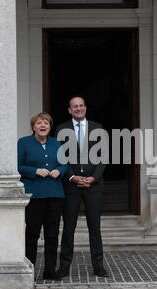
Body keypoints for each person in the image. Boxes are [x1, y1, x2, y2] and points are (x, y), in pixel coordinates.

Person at [56, 96, 108, 278]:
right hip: (71, 186)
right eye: (74, 106)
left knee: (95, 227)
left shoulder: (98, 128)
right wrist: (71, 177)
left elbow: (103, 157)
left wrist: (93, 178)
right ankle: (64, 266)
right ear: (69, 110)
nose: (78, 108)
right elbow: (60, 157)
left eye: (81, 105)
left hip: (94, 186)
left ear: (85, 108)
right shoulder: (61, 129)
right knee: (69, 227)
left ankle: (98, 266)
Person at [18, 112, 67, 281]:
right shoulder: (24, 142)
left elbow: (64, 164)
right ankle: (29, 269)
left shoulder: (57, 143)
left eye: (46, 123)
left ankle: (50, 270)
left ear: (49, 127)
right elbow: (17, 166)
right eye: (39, 123)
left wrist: (59, 171)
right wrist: (35, 171)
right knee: (32, 234)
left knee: (52, 234)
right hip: (34, 195)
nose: (43, 125)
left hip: (54, 194)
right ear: (33, 127)